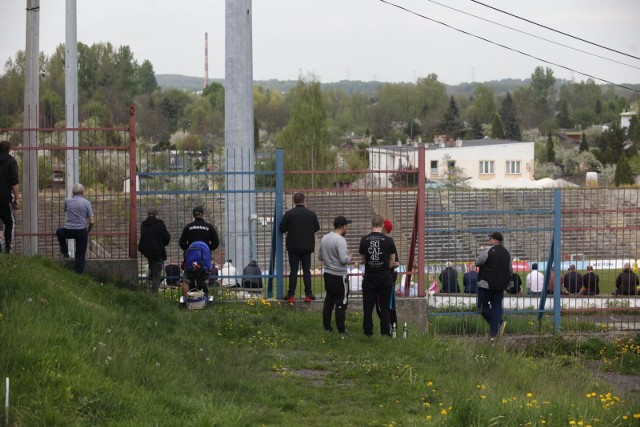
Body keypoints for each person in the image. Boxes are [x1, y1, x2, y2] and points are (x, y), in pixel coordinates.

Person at [359, 215, 397, 337]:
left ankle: (367, 331)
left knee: (368, 306)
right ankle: (385, 332)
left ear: (372, 224)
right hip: (385, 276)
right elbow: (392, 262)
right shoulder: (389, 241)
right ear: (382, 225)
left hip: (370, 276)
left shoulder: (364, 240)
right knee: (385, 306)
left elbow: (364, 260)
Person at [279, 192, 320, 303]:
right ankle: (308, 294)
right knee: (306, 271)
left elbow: (282, 228)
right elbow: (317, 228)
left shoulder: (289, 214)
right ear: (304, 200)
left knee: (293, 271)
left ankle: (291, 295)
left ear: (294, 201)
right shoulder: (311, 214)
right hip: (307, 247)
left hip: (293, 247)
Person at [318, 215, 352, 333]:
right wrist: (349, 257)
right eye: (346, 226)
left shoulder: (324, 238)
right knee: (341, 302)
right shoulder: (340, 240)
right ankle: (341, 329)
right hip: (339, 275)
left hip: (328, 274)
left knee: (329, 300)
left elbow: (320, 257)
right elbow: (343, 260)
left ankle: (327, 326)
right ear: (342, 227)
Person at [179, 206, 219, 303]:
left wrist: (189, 249)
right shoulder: (209, 227)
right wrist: (208, 248)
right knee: (202, 279)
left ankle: (187, 299)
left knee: (187, 279)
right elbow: (216, 243)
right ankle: (203, 299)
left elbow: (182, 243)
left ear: (194, 215)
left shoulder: (188, 227)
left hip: (191, 259)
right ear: (202, 214)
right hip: (203, 259)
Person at [476, 231, 512, 339]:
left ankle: (499, 324)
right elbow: (510, 270)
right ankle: (494, 334)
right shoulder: (507, 253)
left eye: (490, 239)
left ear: (495, 240)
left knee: (482, 307)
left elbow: (477, 262)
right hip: (500, 286)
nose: (489, 241)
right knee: (497, 308)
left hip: (486, 284)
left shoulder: (488, 250)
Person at [56, 183, 94, 273]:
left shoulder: (67, 201)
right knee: (80, 255)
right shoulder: (87, 203)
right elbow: (92, 221)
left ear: (73, 192)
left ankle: (65, 252)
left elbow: (66, 210)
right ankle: (78, 275)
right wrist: (88, 231)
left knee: (59, 231)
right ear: (82, 192)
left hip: (69, 230)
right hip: (81, 231)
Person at [137, 207, 171, 294]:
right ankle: (153, 295)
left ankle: (149, 289)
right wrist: (163, 243)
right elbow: (166, 237)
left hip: (148, 253)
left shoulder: (144, 224)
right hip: (157, 252)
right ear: (156, 215)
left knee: (153, 272)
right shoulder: (159, 223)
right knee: (157, 276)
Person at [376, 219, 399, 330]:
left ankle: (391, 327)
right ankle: (388, 327)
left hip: (387, 277)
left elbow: (396, 262)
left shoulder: (388, 242)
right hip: (384, 276)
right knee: (383, 305)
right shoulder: (379, 241)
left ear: (383, 228)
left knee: (388, 305)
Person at [0, 140, 19, 254]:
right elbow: (14, 182)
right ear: (9, 149)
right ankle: (8, 249)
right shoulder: (11, 162)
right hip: (4, 198)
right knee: (9, 223)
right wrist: (16, 198)